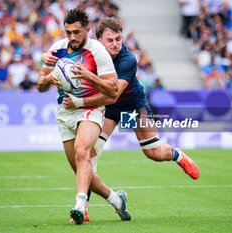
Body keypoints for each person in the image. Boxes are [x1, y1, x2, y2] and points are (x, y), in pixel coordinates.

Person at [42, 16, 200, 221]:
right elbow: (63, 56)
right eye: (111, 40)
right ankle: (83, 208)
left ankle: (177, 155)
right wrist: (47, 57)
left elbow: (113, 95)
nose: (116, 44)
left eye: (119, 39)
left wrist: (79, 103)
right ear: (98, 40)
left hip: (131, 106)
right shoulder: (89, 53)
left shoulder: (127, 59)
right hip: (104, 108)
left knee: (152, 152)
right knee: (87, 156)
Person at [37, 9, 131, 225]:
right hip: (65, 112)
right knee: (82, 168)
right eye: (68, 32)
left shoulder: (97, 51)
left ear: (87, 30)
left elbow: (112, 88)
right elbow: (40, 86)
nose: (72, 37)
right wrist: (49, 77)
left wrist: (88, 75)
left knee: (82, 151)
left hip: (91, 109)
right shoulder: (57, 49)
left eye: (77, 32)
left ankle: (80, 205)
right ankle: (117, 200)